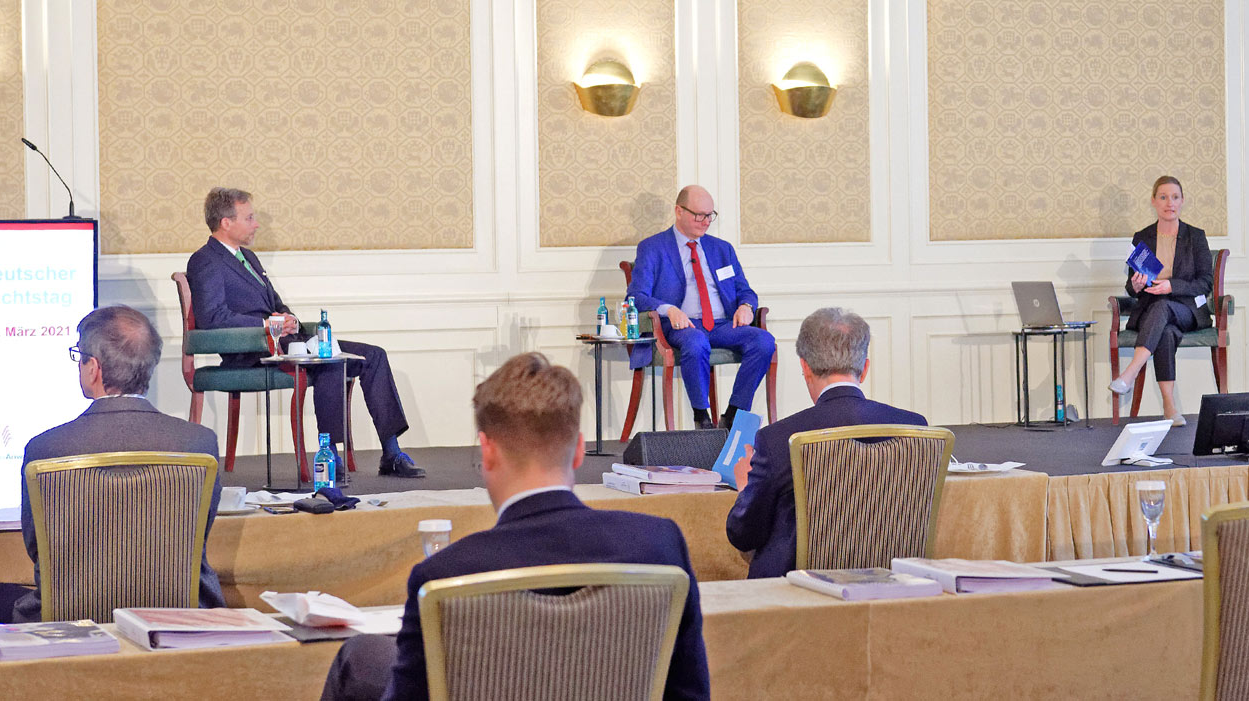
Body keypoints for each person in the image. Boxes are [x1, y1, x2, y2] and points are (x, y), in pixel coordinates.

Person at [320, 352, 709, 701]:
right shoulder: (660, 546)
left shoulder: (445, 577)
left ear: (487, 451)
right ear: (578, 449)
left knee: (360, 658)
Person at [0, 306, 224, 625]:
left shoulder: (46, 448)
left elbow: (38, 548)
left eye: (80, 358)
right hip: (179, 614)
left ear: (94, 368)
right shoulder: (199, 443)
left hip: (67, 616)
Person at [185, 187, 424, 478]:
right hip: (251, 350)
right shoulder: (205, 260)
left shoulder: (248, 257)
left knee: (373, 356)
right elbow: (212, 318)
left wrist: (289, 319)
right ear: (226, 222)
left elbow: (275, 304)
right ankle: (329, 457)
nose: (256, 224)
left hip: (287, 342)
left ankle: (392, 453)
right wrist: (268, 325)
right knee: (329, 361)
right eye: (249, 218)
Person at [726, 307, 926, 579]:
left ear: (805, 367)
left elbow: (745, 535)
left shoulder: (777, 439)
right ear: (865, 369)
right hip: (889, 585)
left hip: (795, 592)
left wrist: (744, 486)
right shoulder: (915, 428)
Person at [627, 185, 776, 430]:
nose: (706, 221)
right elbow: (636, 296)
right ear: (679, 211)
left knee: (764, 341)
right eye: (699, 215)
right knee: (696, 342)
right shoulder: (653, 247)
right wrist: (668, 309)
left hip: (722, 324)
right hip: (683, 325)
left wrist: (746, 306)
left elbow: (745, 290)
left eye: (710, 215)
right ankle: (702, 418)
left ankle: (733, 415)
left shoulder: (722, 249)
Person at [1108, 175, 1214, 425]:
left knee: (1164, 306)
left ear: (1182, 201)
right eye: (1163, 197)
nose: (1170, 203)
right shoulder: (1142, 237)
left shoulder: (1195, 236)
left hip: (1188, 309)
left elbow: (1206, 282)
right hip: (1151, 310)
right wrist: (1135, 285)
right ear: (1153, 201)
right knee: (1165, 331)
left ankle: (1131, 372)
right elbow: (1132, 286)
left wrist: (1171, 286)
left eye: (1175, 197)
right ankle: (1169, 407)